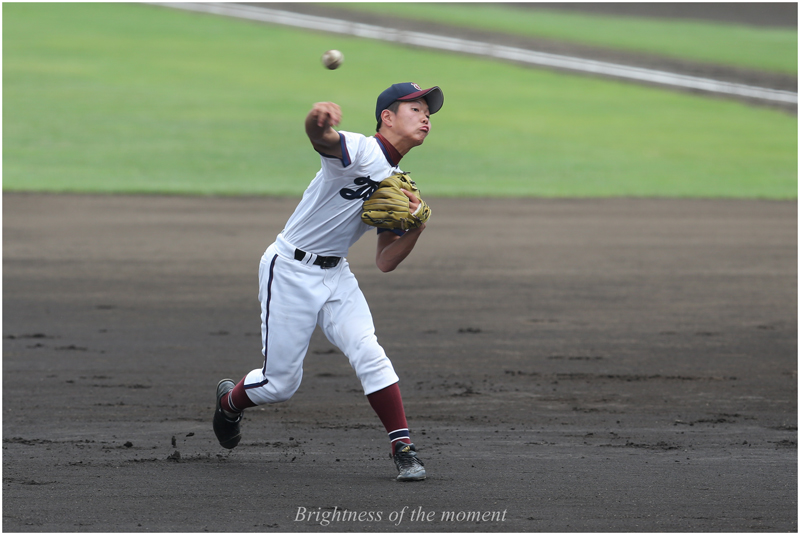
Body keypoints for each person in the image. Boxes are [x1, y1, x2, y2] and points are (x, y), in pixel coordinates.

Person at [213, 82, 444, 482]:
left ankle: (403, 447)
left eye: (428, 111)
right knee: (280, 385)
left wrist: (419, 225)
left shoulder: (400, 182)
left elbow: (385, 261)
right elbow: (321, 138)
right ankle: (230, 402)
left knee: (369, 352)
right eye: (416, 108)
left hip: (337, 275)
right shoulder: (361, 148)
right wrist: (316, 118)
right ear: (387, 117)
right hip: (289, 270)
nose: (425, 116)